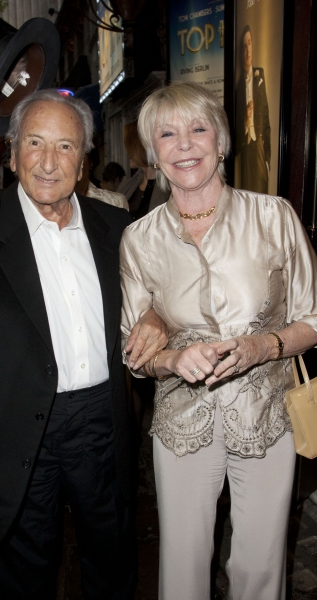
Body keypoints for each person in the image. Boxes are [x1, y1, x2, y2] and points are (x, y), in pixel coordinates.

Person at [0, 90, 167, 599]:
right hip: (17, 427)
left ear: (83, 161)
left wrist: (158, 314)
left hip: (102, 421)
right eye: (34, 143)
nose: (49, 163)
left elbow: (164, 292)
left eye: (65, 147)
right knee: (23, 578)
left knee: (112, 562)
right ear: (11, 155)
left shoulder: (117, 229)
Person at [120, 82, 317, 600]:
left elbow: (311, 320)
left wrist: (262, 347)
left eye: (198, 129)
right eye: (167, 133)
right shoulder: (139, 239)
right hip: (182, 422)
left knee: (259, 567)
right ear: (154, 153)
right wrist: (170, 359)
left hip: (266, 415)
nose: (184, 144)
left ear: (221, 141)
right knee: (182, 569)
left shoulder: (273, 216)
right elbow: (135, 354)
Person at [236, 24, 271, 193]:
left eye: (249, 44)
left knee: (263, 197)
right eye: (244, 46)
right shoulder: (237, 89)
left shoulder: (259, 75)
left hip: (259, 146)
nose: (248, 50)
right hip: (246, 149)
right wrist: (244, 122)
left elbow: (265, 116)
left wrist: (268, 159)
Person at [117, 120, 169, 220]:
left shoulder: (170, 188)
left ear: (142, 147)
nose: (127, 152)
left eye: (130, 146)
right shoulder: (126, 187)